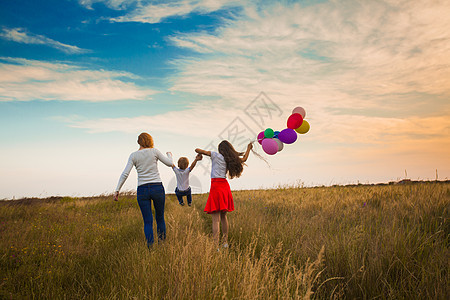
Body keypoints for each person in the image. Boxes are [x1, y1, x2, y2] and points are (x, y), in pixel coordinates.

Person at [114, 132, 173, 247]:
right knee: (160, 218)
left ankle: (150, 248)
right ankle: (162, 246)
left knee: (147, 221)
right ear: (150, 141)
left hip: (142, 189)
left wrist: (117, 190)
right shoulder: (154, 151)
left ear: (138, 142)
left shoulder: (133, 155)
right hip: (157, 187)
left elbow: (125, 173)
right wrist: (169, 155)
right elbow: (170, 164)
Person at [195, 140, 253, 249]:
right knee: (223, 216)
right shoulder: (229, 159)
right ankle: (225, 243)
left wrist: (199, 154)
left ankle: (216, 245)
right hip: (225, 187)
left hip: (216, 186)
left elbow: (197, 149)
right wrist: (249, 148)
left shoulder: (215, 155)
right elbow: (244, 159)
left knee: (215, 219)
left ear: (220, 149)